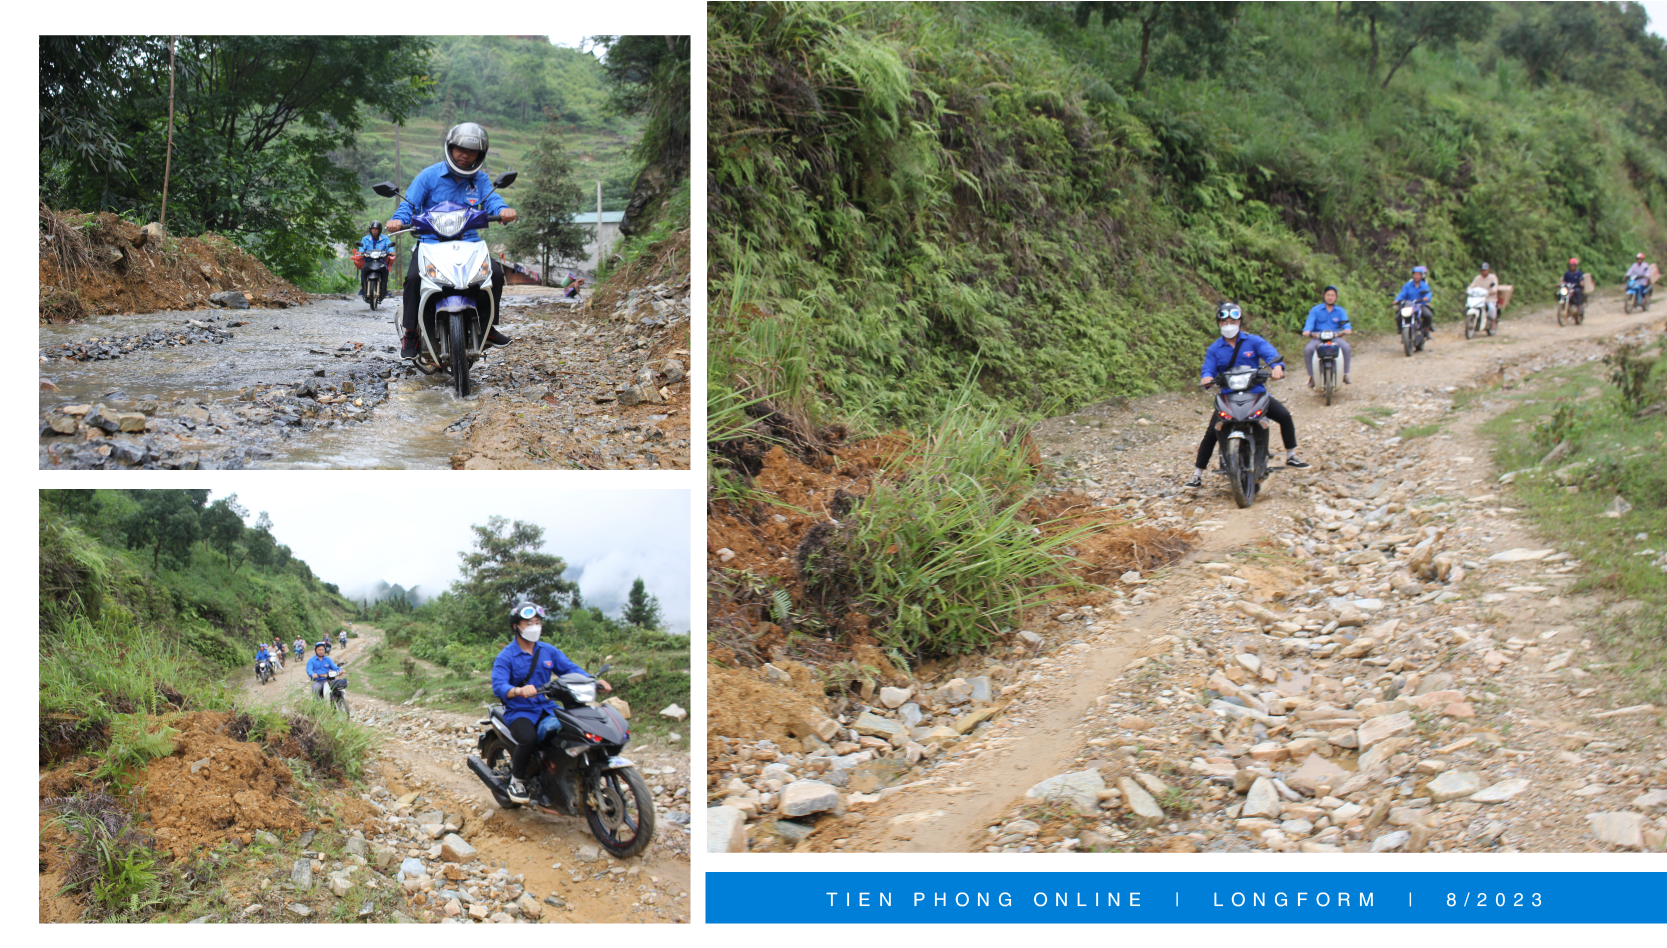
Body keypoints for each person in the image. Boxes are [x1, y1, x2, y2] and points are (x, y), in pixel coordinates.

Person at [386, 122, 518, 358]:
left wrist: (504, 210)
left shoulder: (481, 181)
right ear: (450, 147)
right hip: (430, 242)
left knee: (495, 274)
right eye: (460, 148)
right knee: (414, 278)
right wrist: (397, 220)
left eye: (471, 151)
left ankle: (488, 327)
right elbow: (409, 205)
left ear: (480, 154)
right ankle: (411, 333)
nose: (465, 155)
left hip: (469, 243)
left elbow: (493, 201)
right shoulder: (429, 175)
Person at [490, 602, 612, 804]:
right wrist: (518, 690)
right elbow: (499, 686)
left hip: (547, 707)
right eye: (528, 623)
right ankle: (517, 780)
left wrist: (593, 681)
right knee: (528, 738)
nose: (534, 626)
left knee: (574, 729)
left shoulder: (548, 651)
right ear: (516, 627)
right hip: (520, 710)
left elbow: (570, 669)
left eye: (537, 622)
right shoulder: (506, 656)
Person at [1185, 302, 1309, 489]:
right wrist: (1207, 378)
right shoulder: (1215, 348)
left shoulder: (1254, 341)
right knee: (1212, 432)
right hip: (1228, 397)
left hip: (1256, 394)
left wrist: (1276, 367)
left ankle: (1291, 455)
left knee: (1284, 415)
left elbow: (1270, 355)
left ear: (1240, 321)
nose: (1228, 324)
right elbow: (1207, 370)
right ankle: (1197, 474)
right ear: (1218, 324)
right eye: (1224, 321)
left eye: (1232, 320)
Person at [1301, 285, 1353, 386]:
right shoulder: (1315, 310)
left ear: (1336, 297)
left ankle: (1344, 374)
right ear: (1324, 296)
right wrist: (1307, 330)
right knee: (1308, 349)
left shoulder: (1340, 311)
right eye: (1328, 295)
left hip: (1335, 337)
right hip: (1318, 337)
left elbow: (1346, 324)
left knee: (1346, 347)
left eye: (1332, 295)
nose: (1330, 297)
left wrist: (1347, 329)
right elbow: (1309, 323)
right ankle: (1312, 376)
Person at [357, 221, 394, 301]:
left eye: (376, 229)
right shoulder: (365, 239)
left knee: (386, 269)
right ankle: (363, 288)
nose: (374, 231)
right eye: (373, 229)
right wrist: (360, 251)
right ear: (370, 230)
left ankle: (384, 289)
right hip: (369, 260)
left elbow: (389, 246)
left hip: (380, 260)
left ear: (379, 230)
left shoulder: (385, 238)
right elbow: (362, 247)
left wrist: (391, 251)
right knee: (363, 269)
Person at [1395, 265, 1434, 338]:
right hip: (1409, 305)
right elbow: (1402, 293)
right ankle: (1401, 329)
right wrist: (1397, 300)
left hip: (1420, 305)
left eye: (1418, 274)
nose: (1416, 276)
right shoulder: (1408, 285)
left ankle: (1427, 330)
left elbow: (1428, 293)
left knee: (1428, 315)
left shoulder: (1424, 285)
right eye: (1415, 274)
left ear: (1421, 276)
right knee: (1398, 315)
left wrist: (1426, 298)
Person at [1469, 262, 1500, 329]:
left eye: (1485, 270)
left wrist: (1492, 291)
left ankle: (1493, 321)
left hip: (1489, 298)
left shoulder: (1492, 277)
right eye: (1482, 270)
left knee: (1491, 307)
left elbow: (1495, 286)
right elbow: (1472, 285)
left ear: (1489, 270)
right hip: (1478, 298)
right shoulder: (1478, 278)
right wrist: (1468, 290)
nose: (1484, 272)